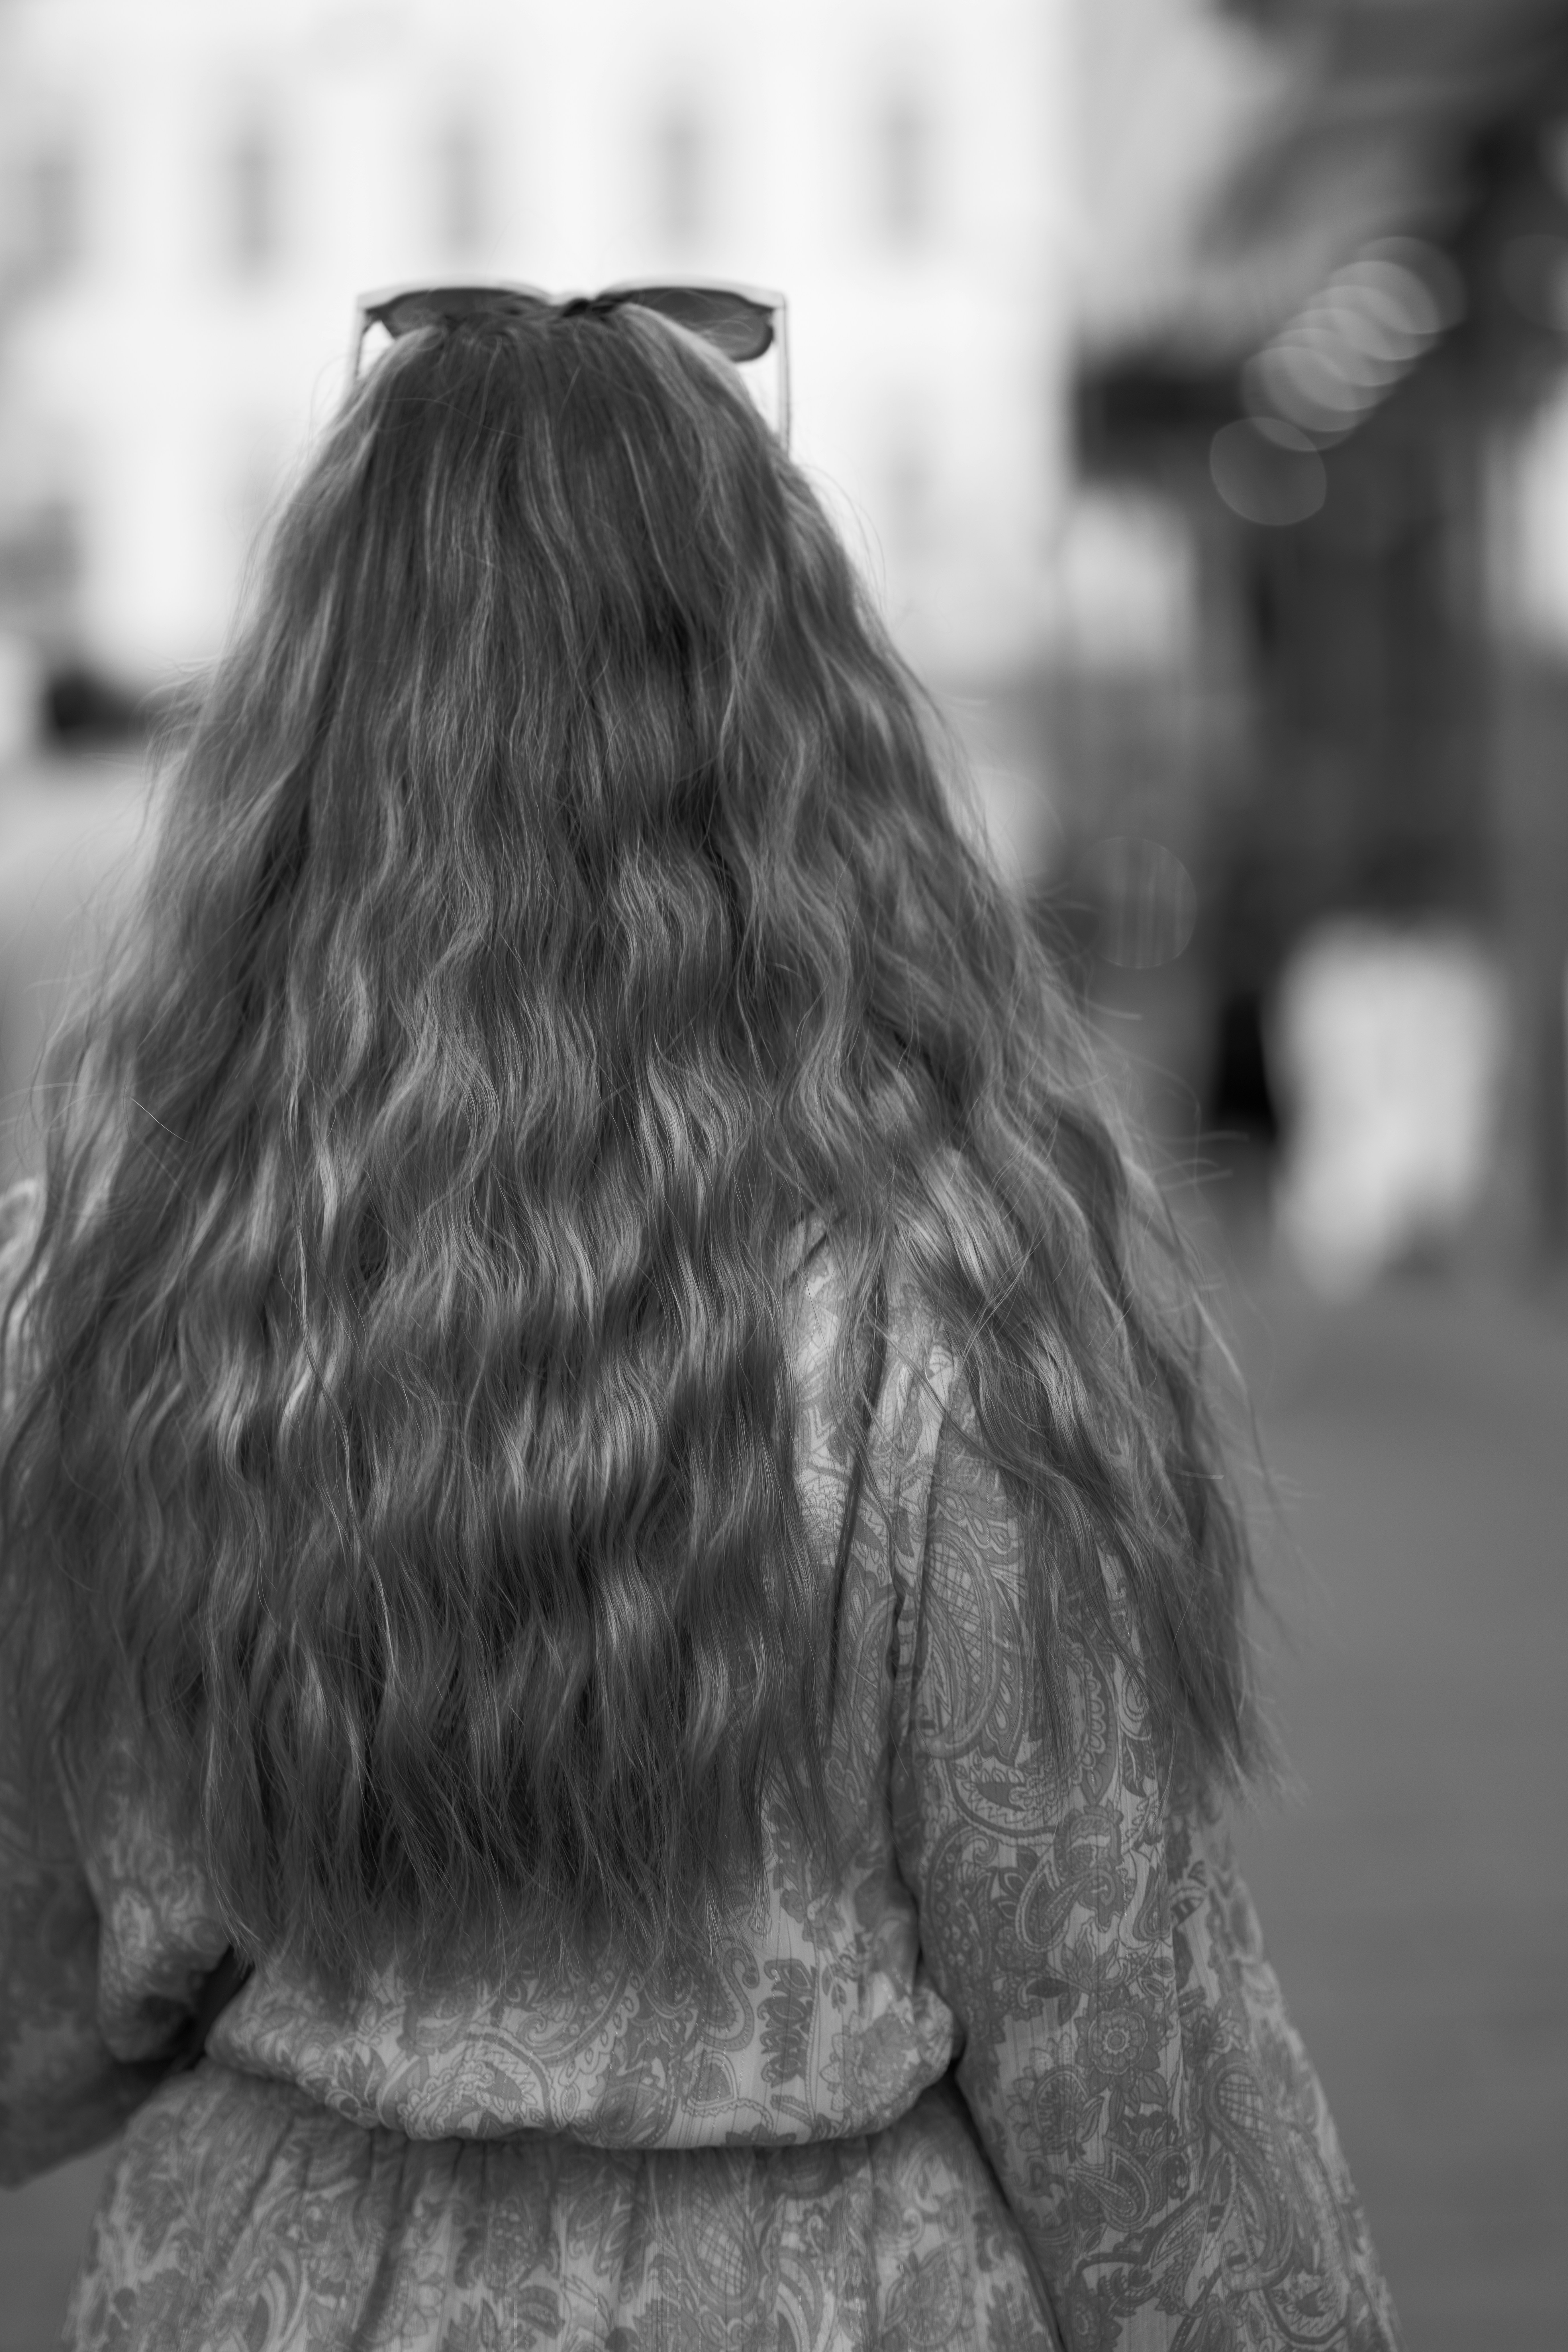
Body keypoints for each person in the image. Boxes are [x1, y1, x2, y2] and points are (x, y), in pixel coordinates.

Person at [0, 285, 1402, 2351]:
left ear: (313, 728)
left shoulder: (126, 1276)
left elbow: (52, 1964)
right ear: (785, 715)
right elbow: (1120, 2043)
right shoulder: (960, 1297)